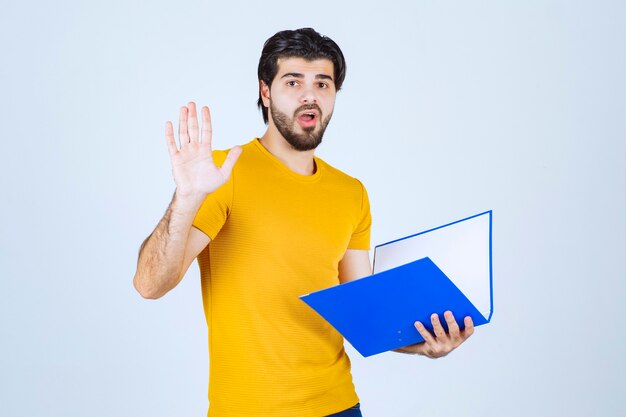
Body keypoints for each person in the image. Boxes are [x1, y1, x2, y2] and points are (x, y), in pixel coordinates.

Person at [133, 28, 474, 417]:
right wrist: (187, 197)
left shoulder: (351, 193)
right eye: (293, 81)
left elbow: (363, 313)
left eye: (322, 83)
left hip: (339, 406)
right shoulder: (222, 174)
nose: (309, 94)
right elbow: (149, 285)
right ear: (266, 92)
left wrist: (423, 343)